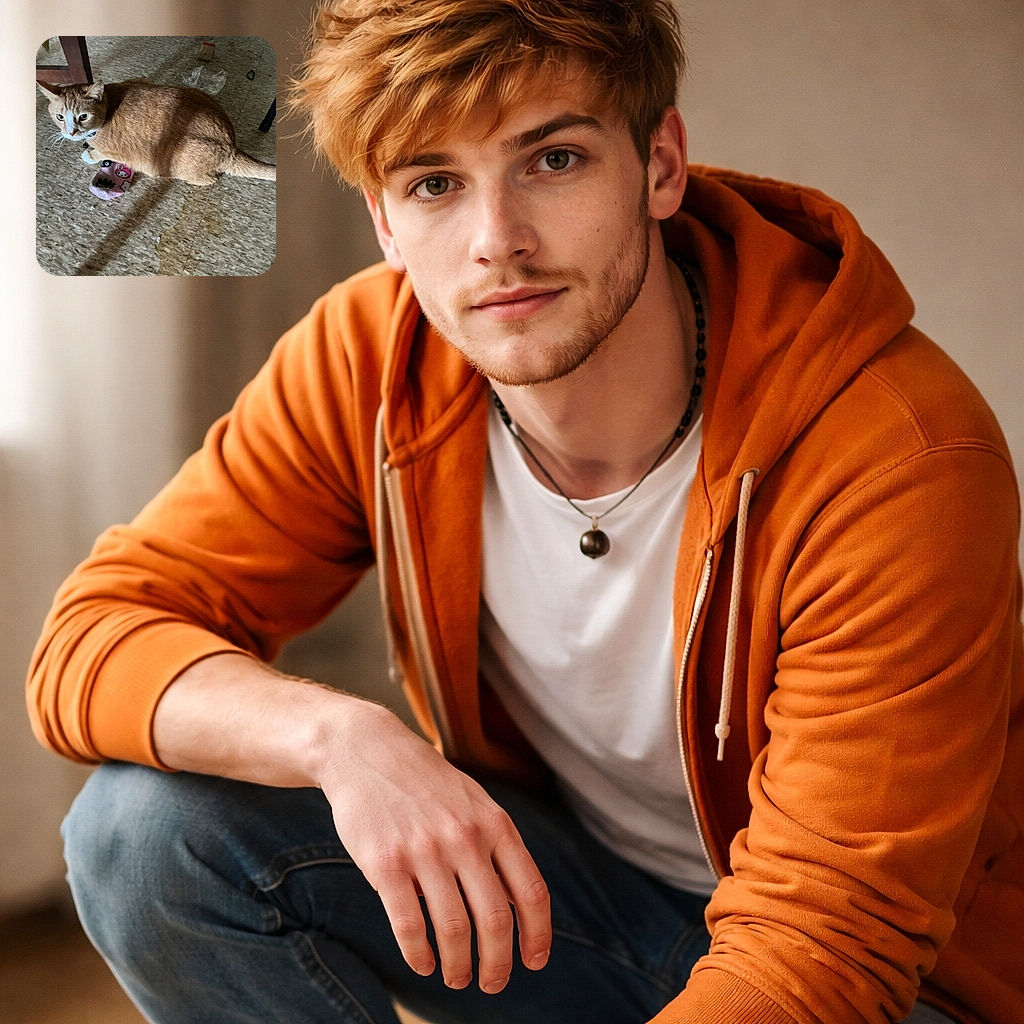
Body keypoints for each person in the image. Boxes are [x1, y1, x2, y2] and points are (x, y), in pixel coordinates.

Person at [26, 2, 1023, 1022]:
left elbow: (829, 942)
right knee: (147, 834)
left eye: (552, 161)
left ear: (660, 163)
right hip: (585, 916)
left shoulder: (900, 453)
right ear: (385, 222)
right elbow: (90, 639)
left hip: (891, 989)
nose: (496, 241)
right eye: (434, 183)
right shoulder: (369, 357)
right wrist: (339, 735)